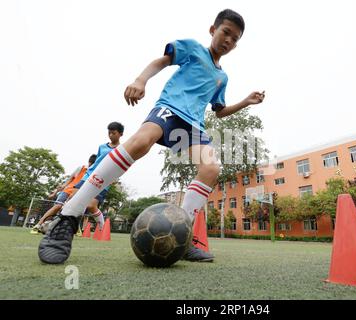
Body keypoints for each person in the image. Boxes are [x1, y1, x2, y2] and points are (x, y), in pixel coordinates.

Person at [38, 9, 265, 265]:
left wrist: (246, 102)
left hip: (193, 126)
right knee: (140, 143)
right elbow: (162, 61)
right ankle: (68, 216)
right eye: (226, 33)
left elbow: (220, 112)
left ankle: (184, 235)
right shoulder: (192, 48)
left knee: (211, 168)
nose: (229, 41)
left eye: (235, 39)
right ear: (213, 30)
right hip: (169, 109)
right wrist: (140, 80)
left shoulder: (222, 77)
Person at [30, 154, 97, 234]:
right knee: (57, 207)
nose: (91, 165)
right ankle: (38, 225)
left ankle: (76, 229)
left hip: (78, 195)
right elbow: (68, 180)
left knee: (77, 212)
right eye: (91, 163)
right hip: (67, 191)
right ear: (89, 162)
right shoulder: (81, 168)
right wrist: (55, 192)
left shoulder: (94, 174)